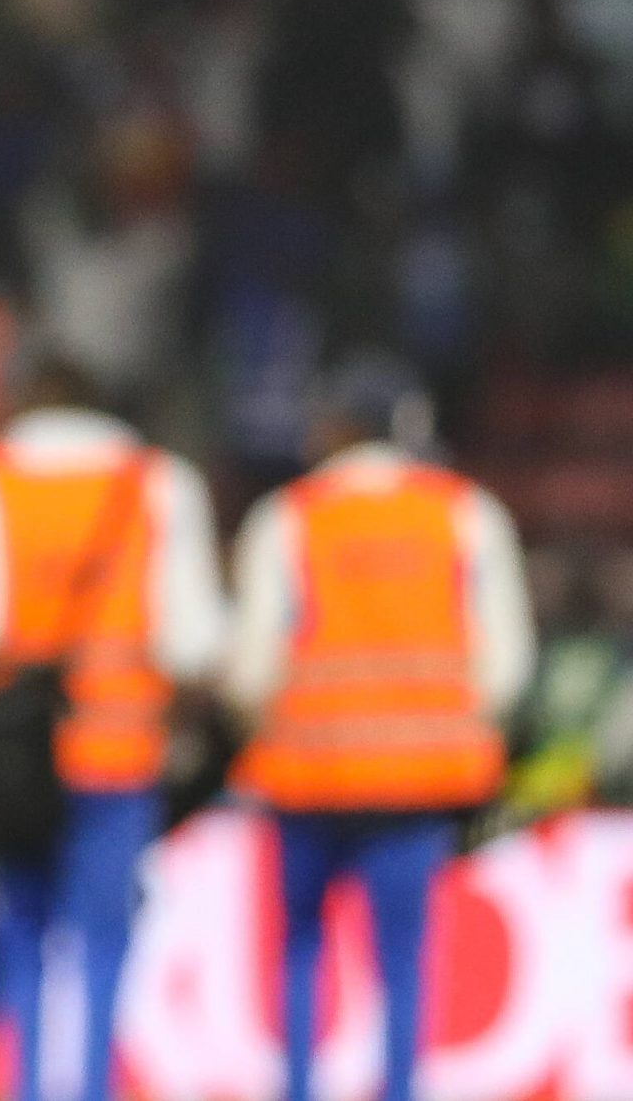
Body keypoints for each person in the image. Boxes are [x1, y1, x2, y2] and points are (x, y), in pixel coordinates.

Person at [0, 358, 224, 1101]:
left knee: (17, 937)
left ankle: (20, 1085)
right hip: (120, 751)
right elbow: (192, 640)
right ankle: (88, 1087)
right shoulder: (159, 483)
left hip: (15, 755)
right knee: (106, 940)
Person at [226, 357, 534, 1101]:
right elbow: (508, 664)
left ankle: (299, 1086)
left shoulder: (288, 516)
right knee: (404, 956)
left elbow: (250, 671)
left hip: (309, 777)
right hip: (418, 781)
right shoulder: (467, 511)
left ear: (336, 428)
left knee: (299, 952)